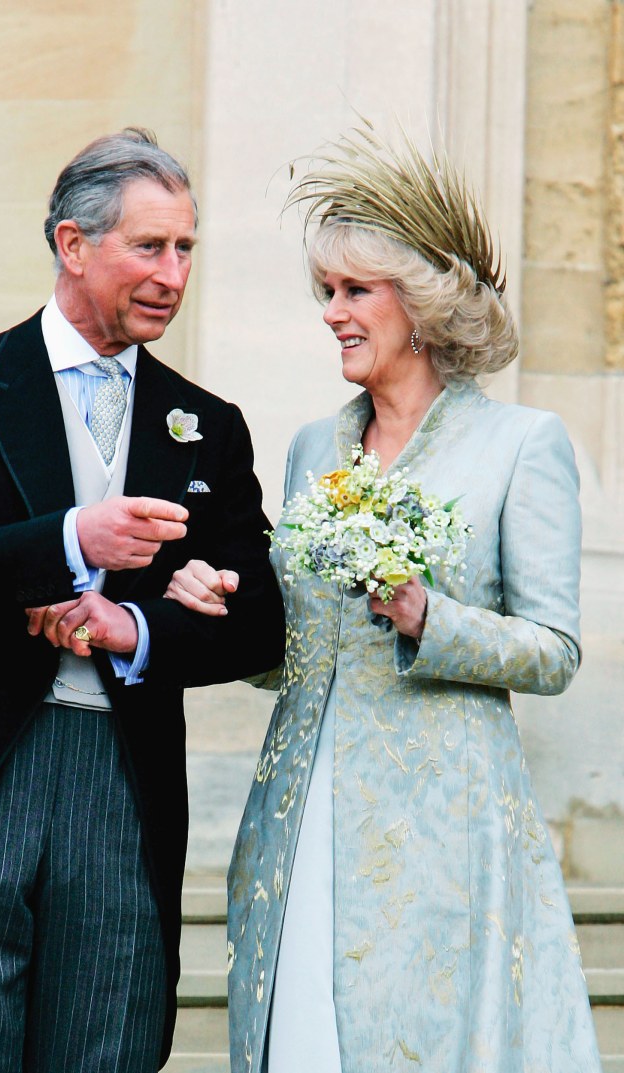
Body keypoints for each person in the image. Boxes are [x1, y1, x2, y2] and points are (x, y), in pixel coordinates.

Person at [164, 121, 604, 1072]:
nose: (333, 312)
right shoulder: (313, 451)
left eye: (356, 291)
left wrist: (425, 615)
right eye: (327, 291)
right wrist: (221, 601)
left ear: (423, 304)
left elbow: (556, 649)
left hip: (442, 825)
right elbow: (293, 649)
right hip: (297, 809)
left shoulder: (521, 446)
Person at [0, 126, 284, 1073]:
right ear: (73, 244)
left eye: (186, 249)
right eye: (149, 246)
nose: (173, 274)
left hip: (121, 783)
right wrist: (70, 541)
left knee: (106, 1047)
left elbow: (261, 617)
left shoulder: (209, 424)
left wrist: (137, 621)